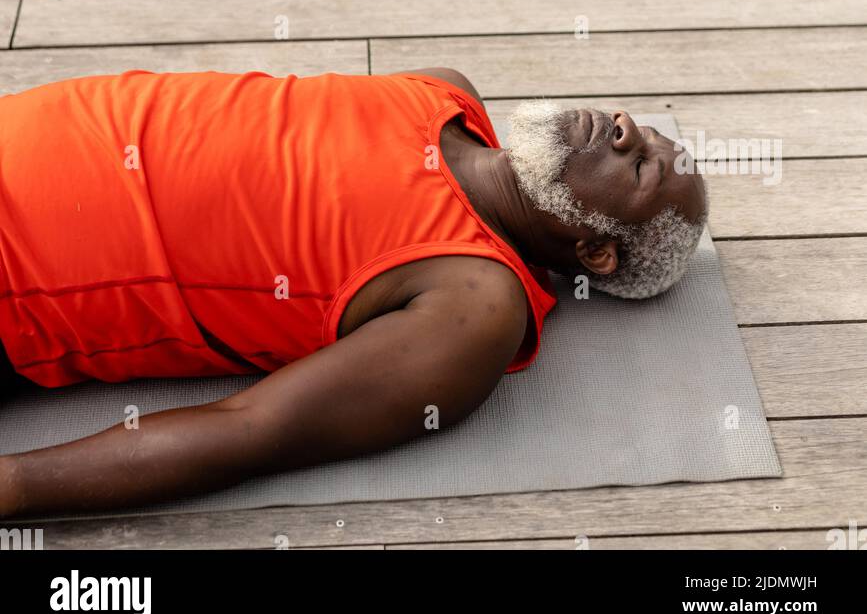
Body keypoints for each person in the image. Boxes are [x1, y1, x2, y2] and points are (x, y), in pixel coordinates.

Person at [0, 65, 708, 518]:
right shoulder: (441, 91)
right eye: (637, 127)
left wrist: (15, 487)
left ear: (594, 251)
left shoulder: (474, 303)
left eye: (640, 163)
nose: (620, 126)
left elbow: (247, 431)